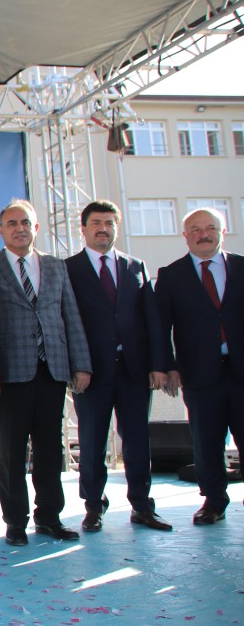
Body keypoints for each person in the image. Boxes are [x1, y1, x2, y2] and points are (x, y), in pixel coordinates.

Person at [0, 199, 91, 546]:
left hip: (52, 369)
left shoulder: (56, 266)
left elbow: (70, 314)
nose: (19, 229)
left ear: (36, 228)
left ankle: (49, 516)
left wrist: (80, 364)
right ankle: (15, 522)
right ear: (1, 230)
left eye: (25, 223)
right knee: (12, 451)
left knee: (49, 449)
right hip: (10, 373)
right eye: (12, 223)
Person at [66, 201, 171, 532]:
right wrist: (76, 366)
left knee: (138, 441)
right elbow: (67, 322)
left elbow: (151, 319)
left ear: (116, 227)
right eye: (96, 223)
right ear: (83, 229)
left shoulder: (135, 266)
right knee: (92, 442)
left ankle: (142, 505)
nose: (103, 229)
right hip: (91, 372)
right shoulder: (69, 268)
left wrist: (158, 364)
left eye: (109, 223)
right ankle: (93, 507)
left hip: (134, 370)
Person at [155, 207, 243, 525]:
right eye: (196, 229)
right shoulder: (171, 275)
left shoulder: (241, 267)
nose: (203, 234)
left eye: (210, 228)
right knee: (206, 441)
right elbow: (161, 326)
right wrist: (168, 366)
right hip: (199, 373)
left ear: (222, 231)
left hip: (242, 370)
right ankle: (214, 501)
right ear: (185, 235)